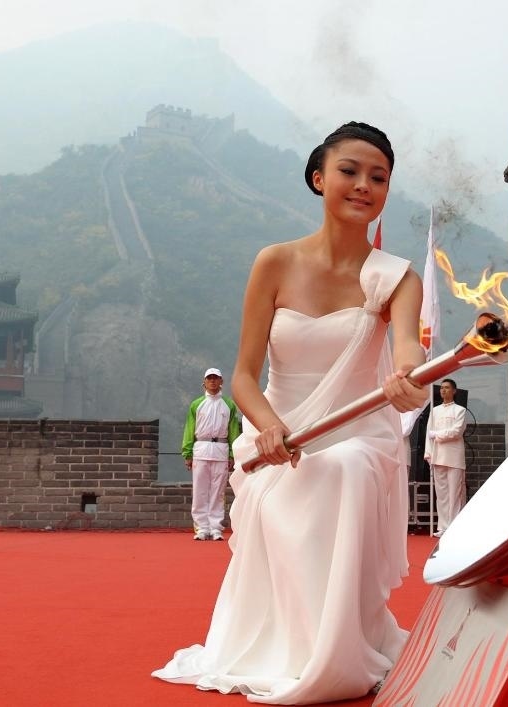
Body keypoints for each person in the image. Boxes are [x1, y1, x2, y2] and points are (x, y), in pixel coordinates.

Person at [153, 121, 428, 704]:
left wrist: (409, 378)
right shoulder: (274, 262)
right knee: (312, 474)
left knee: (343, 466)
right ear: (318, 178)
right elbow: (245, 375)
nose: (364, 185)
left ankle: (337, 652)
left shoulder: (397, 277)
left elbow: (408, 350)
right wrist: (270, 428)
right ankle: (292, 647)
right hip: (277, 432)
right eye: (350, 171)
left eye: (378, 177)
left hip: (360, 432)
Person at [182, 367, 242, 541]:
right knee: (200, 490)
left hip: (221, 450)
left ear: (221, 381)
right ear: (204, 382)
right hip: (200, 449)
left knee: (218, 491)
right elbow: (189, 429)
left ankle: (216, 527)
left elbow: (233, 431)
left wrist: (232, 454)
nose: (213, 381)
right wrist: (187, 452)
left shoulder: (229, 405)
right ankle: (201, 527)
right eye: (209, 378)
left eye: (216, 378)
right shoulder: (196, 404)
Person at [423, 378, 467, 537]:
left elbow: (456, 432)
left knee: (455, 493)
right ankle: (443, 526)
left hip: (454, 457)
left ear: (454, 391)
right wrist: (428, 453)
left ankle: (453, 527)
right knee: (441, 495)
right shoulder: (434, 411)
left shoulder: (460, 410)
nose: (443, 390)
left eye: (447, 388)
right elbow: (428, 433)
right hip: (438, 456)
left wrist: (437, 435)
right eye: (441, 388)